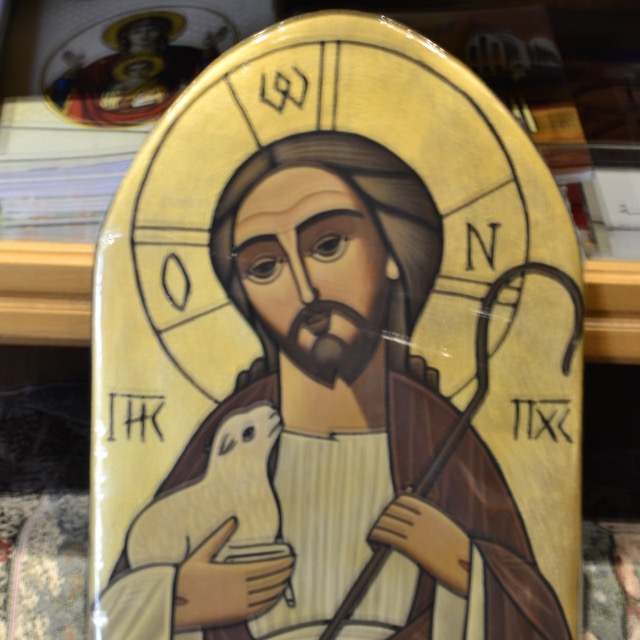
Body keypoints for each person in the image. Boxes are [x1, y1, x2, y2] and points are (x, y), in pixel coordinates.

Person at [100, 131, 572, 639]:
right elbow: (115, 616)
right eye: (265, 267)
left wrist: (465, 565)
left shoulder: (442, 443)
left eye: (327, 245)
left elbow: (540, 622)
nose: (305, 290)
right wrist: (176, 602)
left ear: (391, 251)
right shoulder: (228, 443)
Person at [48, 13, 224, 126]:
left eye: (151, 30)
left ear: (162, 33)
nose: (145, 36)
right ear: (126, 36)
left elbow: (212, 78)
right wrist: (73, 71)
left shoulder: (182, 56)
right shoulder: (105, 65)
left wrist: (209, 50)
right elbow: (67, 95)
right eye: (137, 32)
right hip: (112, 118)